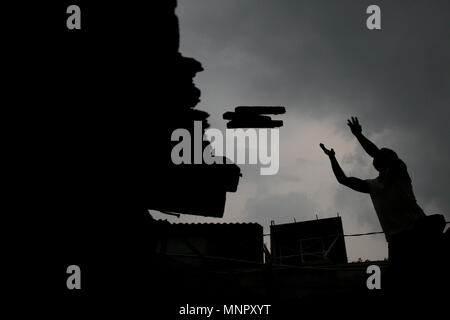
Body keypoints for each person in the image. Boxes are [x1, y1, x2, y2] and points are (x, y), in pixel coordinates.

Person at [319, 117, 442, 264]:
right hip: (396, 240)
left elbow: (376, 153)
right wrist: (332, 158)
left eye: (384, 153)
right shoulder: (372, 185)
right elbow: (343, 180)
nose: (379, 154)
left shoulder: (399, 171)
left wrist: (358, 135)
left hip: (418, 230)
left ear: (391, 159)